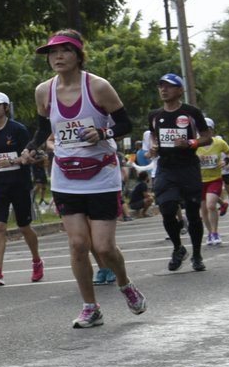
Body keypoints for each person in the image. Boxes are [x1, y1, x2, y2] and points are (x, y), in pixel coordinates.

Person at [28, 29, 145, 329]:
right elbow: (43, 130)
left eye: (65, 51)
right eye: (52, 53)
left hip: (102, 174)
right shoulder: (44, 91)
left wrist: (102, 132)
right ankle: (90, 307)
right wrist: (30, 148)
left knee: (104, 248)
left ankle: (125, 284)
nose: (58, 57)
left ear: (78, 55)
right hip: (65, 176)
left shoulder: (99, 87)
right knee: (78, 243)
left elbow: (125, 124)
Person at [146, 74, 214, 273]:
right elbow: (152, 135)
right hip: (166, 168)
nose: (163, 90)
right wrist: (153, 146)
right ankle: (178, 248)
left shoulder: (191, 112)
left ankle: (197, 255)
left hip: (188, 167)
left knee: (193, 214)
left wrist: (191, 143)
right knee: (167, 209)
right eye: (161, 86)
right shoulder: (154, 115)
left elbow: (207, 137)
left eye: (169, 86)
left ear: (179, 90)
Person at [0, 92, 44, 287]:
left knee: (24, 226)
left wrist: (13, 160)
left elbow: (31, 155)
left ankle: (37, 261)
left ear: (6, 107)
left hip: (20, 183)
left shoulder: (18, 130)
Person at [199, 132, 229, 246]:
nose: (205, 132)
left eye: (208, 129)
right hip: (199, 181)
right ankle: (209, 233)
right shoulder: (194, 143)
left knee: (211, 205)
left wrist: (225, 161)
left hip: (215, 179)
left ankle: (215, 232)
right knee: (204, 210)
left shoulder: (219, 142)